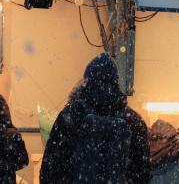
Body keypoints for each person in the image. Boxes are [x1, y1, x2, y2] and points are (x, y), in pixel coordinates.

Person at [40, 53, 152, 183]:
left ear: (86, 81)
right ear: (116, 81)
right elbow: (143, 173)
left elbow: (50, 170)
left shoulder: (70, 117)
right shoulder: (133, 121)